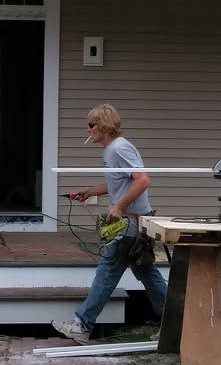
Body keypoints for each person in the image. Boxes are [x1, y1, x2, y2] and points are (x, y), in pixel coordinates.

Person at [52, 103, 166, 343]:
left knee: (107, 273)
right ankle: (177, 324)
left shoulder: (118, 149)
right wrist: (92, 190)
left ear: (103, 126)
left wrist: (118, 206)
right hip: (136, 225)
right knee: (148, 274)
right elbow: (121, 181)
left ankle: (82, 325)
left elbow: (142, 180)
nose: (88, 130)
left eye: (91, 125)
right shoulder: (113, 150)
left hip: (129, 225)